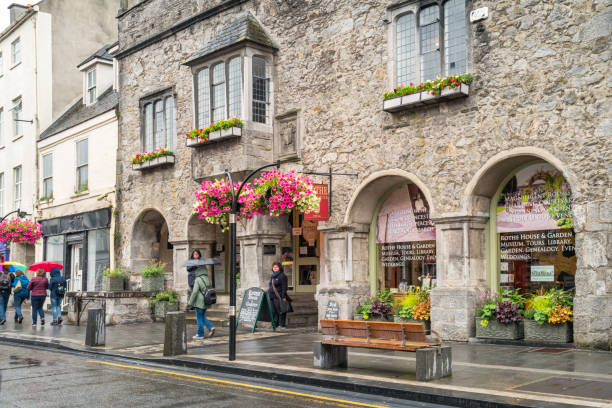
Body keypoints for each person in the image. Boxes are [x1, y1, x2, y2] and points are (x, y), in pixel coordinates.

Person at [188, 264, 215, 340]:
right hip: (207, 300)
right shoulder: (207, 279)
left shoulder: (198, 280)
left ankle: (200, 334)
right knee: (202, 316)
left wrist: (190, 302)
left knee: (199, 318)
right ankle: (211, 327)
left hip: (199, 302)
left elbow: (195, 292)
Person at [268, 262, 291, 330]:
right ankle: (275, 324)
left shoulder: (282, 276)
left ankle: (282, 324)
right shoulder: (272, 276)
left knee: (280, 310)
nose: (275, 268)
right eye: (274, 267)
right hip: (272, 296)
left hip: (279, 296)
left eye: (276, 267)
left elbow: (284, 287)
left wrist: (283, 296)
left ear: (280, 268)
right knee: (274, 311)